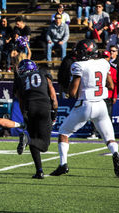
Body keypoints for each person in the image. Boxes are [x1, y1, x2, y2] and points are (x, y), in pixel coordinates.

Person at [50, 39, 119, 178]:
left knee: (63, 133)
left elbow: (73, 92)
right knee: (110, 138)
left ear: (85, 53)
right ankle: (116, 154)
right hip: (101, 104)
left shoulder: (78, 65)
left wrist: (72, 87)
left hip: (85, 104)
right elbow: (111, 85)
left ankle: (63, 165)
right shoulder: (104, 63)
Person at [14, 59, 58, 179]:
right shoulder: (44, 73)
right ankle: (27, 140)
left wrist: (24, 114)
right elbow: (53, 96)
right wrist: (54, 112)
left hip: (30, 109)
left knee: (34, 138)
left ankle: (39, 171)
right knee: (44, 145)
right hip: (44, 107)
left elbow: (21, 100)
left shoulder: (20, 79)